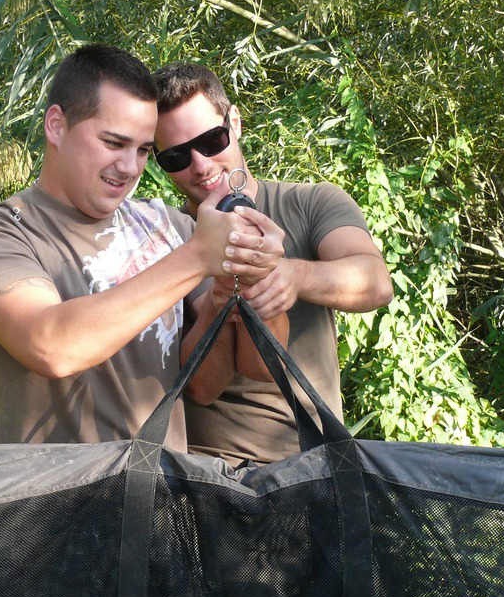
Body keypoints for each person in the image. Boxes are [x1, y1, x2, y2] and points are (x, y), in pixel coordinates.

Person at [0, 45, 285, 597]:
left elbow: (207, 383)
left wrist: (245, 289)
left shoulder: (166, 227)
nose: (131, 166)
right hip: (53, 557)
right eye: (114, 143)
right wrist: (195, 258)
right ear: (57, 126)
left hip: (167, 544)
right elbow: (54, 344)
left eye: (143, 149)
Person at [152, 62, 393, 464]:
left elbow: (375, 281)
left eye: (212, 140)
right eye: (176, 156)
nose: (200, 164)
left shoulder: (313, 202)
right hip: (205, 474)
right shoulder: (163, 238)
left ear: (235, 122)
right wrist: (216, 300)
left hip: (312, 464)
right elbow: (200, 387)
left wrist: (292, 276)